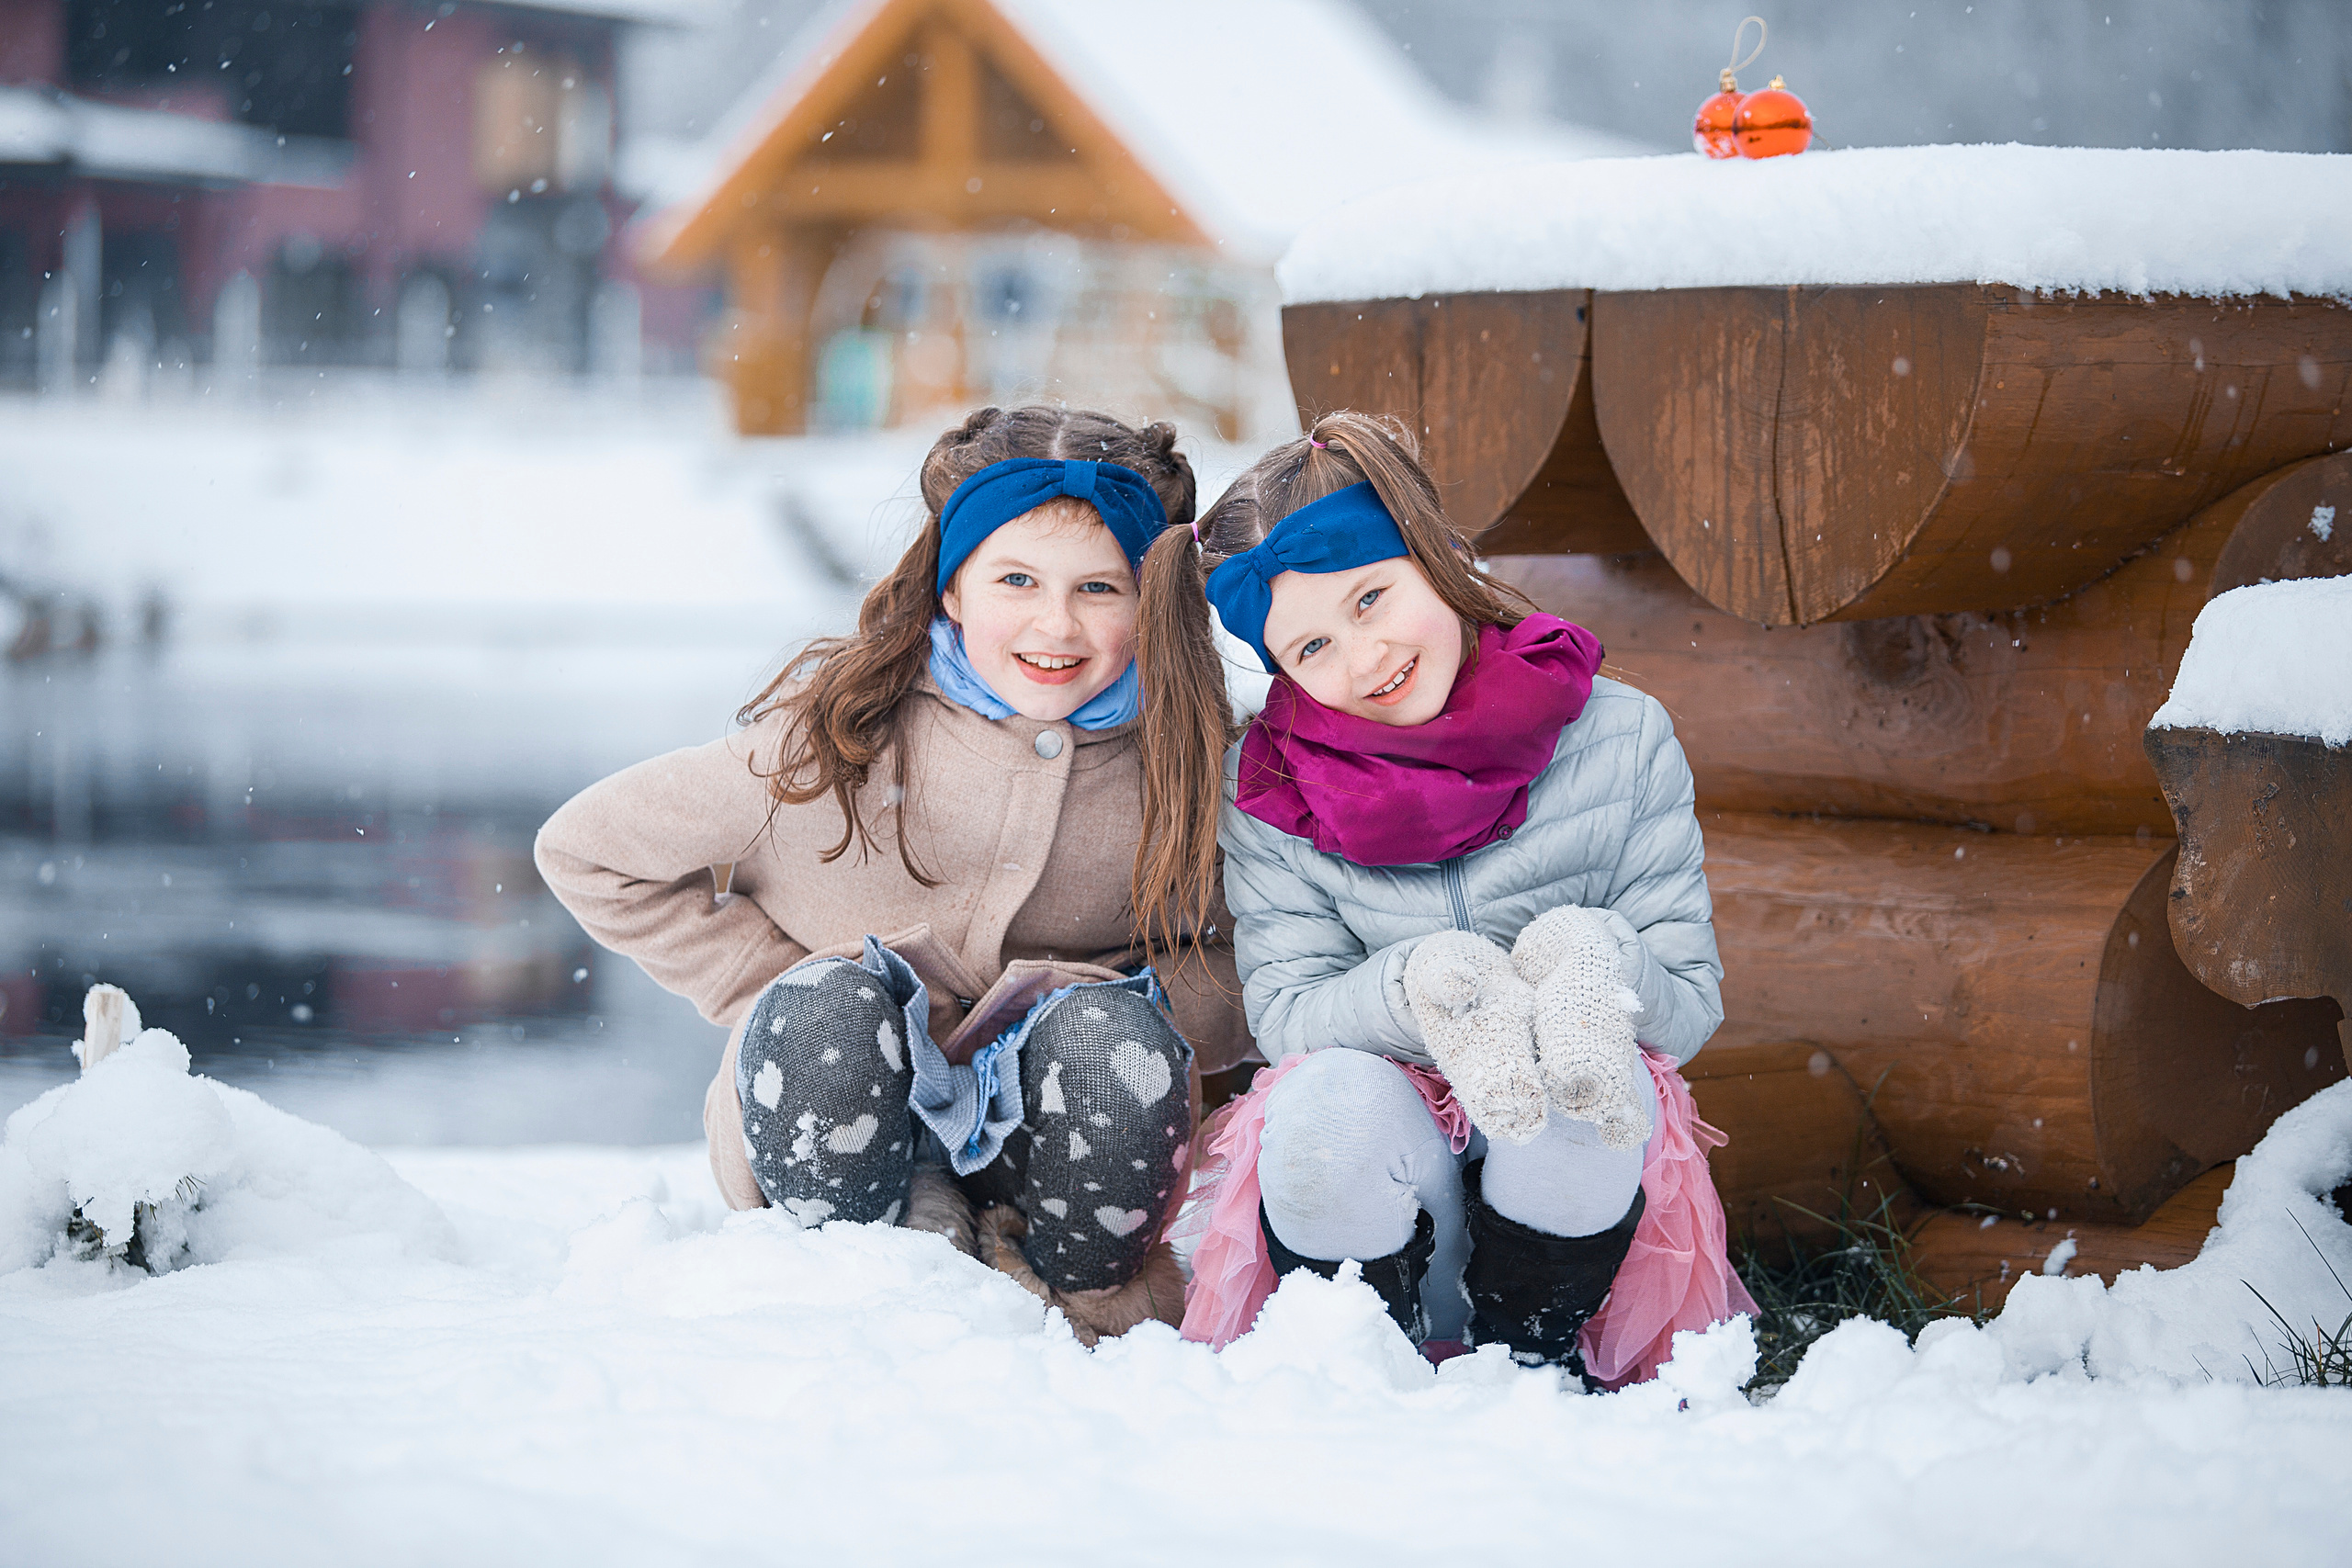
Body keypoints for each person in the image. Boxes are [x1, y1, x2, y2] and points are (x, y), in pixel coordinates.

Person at [536, 405, 1250, 1341]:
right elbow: (588, 850)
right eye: (1016, 579)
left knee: (1110, 1041)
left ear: (1148, 603)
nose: (1056, 622)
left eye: (1098, 588)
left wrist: (1126, 1003)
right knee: (825, 1010)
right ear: (952, 590)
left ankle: (1073, 1313)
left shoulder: (1194, 765)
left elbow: (1260, 948)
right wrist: (769, 985)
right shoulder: (838, 737)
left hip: (1059, 1150)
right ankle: (854, 1291)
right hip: (844, 1106)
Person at [1135, 412, 1755, 1385]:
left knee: (1576, 1080)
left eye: (1371, 598)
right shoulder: (1269, 792)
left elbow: (1689, 1004)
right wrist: (1420, 987)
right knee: (1322, 1107)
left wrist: (1598, 964)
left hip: (1577, 1223)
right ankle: (1363, 1363)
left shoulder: (1621, 736)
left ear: (1435, 554)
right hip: (1386, 1192)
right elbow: (1290, 1013)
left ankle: (1532, 1366)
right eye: (1311, 647)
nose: (1363, 659)